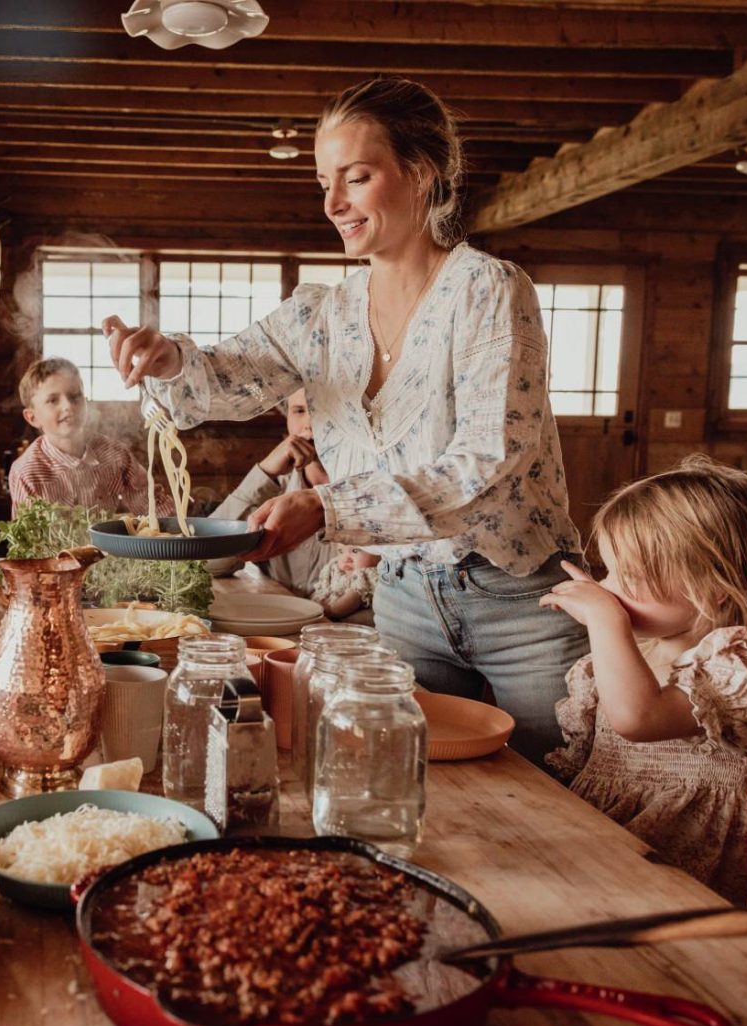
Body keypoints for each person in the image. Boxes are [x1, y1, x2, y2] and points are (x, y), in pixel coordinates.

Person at [102, 75, 587, 763]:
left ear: (421, 174)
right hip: (405, 602)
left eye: (356, 178)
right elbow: (223, 376)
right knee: (416, 794)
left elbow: (488, 465)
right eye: (324, 182)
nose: (333, 203)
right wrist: (167, 359)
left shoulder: (489, 291)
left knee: (553, 814)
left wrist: (326, 508)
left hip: (521, 603)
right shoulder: (320, 314)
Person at [540, 458, 747, 903]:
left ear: (713, 584)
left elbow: (638, 719)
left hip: (668, 888)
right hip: (593, 855)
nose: (608, 589)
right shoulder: (639, 651)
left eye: (632, 578)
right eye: (608, 571)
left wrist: (604, 619)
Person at [207, 388, 335, 597]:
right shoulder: (272, 487)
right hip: (276, 619)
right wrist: (264, 473)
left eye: (323, 410)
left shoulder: (366, 490)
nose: (310, 425)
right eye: (299, 410)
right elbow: (207, 562)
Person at [8, 357, 173, 517]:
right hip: (53, 547)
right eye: (52, 400)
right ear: (32, 417)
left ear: (86, 402)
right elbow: (28, 539)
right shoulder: (26, 472)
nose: (68, 406)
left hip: (109, 546)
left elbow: (154, 506)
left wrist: (180, 531)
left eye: (75, 396)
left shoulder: (115, 454)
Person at [309, 542, 380, 621]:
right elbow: (323, 585)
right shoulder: (334, 568)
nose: (345, 559)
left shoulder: (367, 574)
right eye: (341, 551)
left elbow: (355, 597)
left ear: (378, 553)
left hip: (340, 611)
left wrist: (332, 610)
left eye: (355, 551)